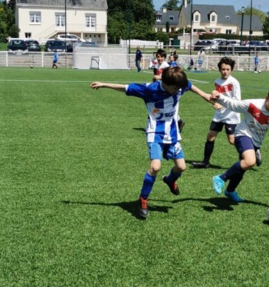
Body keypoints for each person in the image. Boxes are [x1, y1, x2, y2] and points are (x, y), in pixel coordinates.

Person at [90, 66, 212, 220]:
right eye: (175, 88)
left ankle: (169, 180)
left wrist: (205, 96)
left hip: (173, 133)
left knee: (181, 167)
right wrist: (104, 84)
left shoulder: (179, 84)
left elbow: (189, 86)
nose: (178, 91)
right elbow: (127, 88)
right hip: (155, 133)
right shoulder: (149, 90)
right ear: (166, 84)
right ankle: (143, 199)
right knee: (155, 167)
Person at [210, 84, 269, 203]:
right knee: (250, 161)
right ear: (267, 98)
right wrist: (219, 96)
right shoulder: (253, 105)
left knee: (242, 167)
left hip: (256, 141)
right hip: (242, 134)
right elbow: (234, 104)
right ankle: (220, 178)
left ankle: (230, 191)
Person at [193, 57, 241, 169]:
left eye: (228, 69)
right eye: (223, 69)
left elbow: (237, 101)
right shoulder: (217, 82)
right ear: (219, 69)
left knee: (232, 140)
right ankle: (205, 162)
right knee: (210, 135)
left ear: (231, 70)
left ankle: (250, 152)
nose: (225, 71)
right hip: (219, 114)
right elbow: (217, 99)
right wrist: (213, 102)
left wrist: (223, 105)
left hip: (231, 115)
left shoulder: (234, 82)